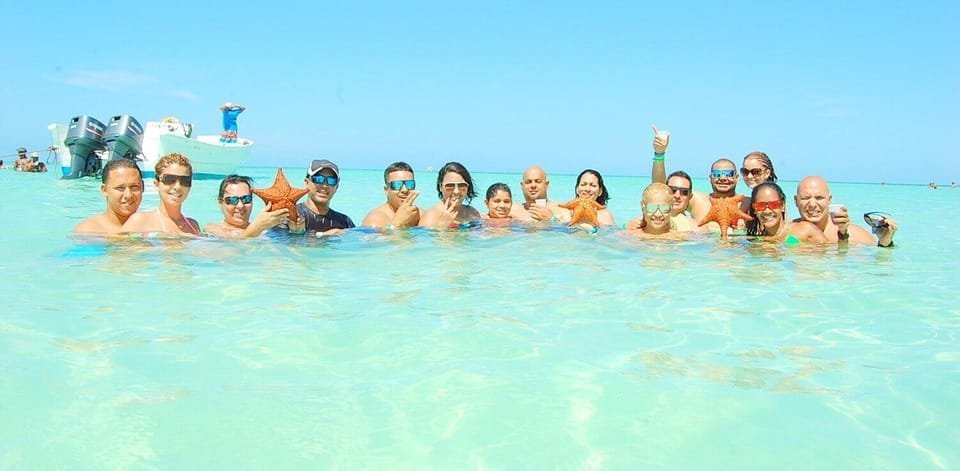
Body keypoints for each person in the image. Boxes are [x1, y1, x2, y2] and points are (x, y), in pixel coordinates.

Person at [791, 176, 897, 247]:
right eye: (805, 198)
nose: (812, 204)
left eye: (819, 198)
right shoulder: (789, 233)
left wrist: (885, 243)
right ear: (796, 201)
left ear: (829, 200)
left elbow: (878, 266)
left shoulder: (853, 234)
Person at [121, 153, 201, 236]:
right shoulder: (140, 221)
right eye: (169, 179)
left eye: (185, 181)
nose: (177, 187)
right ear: (156, 184)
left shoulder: (193, 226)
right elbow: (119, 243)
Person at [73, 159, 145, 235]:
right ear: (104, 190)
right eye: (120, 188)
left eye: (134, 187)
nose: (128, 195)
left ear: (143, 187)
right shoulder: (88, 231)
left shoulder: (151, 225)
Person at [205, 175, 290, 238]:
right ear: (220, 202)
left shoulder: (265, 230)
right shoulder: (213, 229)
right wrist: (258, 227)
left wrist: (295, 230)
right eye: (233, 200)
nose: (240, 205)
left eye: (246, 199)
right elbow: (234, 245)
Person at [288, 159, 355, 235]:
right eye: (318, 179)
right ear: (307, 183)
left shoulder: (345, 222)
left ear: (336, 187)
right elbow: (279, 240)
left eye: (331, 180)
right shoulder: (290, 215)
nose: (324, 185)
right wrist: (296, 233)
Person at [745, 182, 825, 244]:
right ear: (754, 209)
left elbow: (829, 253)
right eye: (760, 205)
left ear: (782, 206)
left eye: (774, 204)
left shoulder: (804, 230)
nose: (767, 211)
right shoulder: (759, 242)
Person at [420, 161, 482, 229]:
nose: (456, 191)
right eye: (450, 186)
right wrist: (442, 226)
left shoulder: (472, 213)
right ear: (440, 187)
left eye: (462, 185)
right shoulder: (431, 217)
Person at [360, 161, 422, 229]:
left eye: (409, 184)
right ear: (386, 190)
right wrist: (397, 223)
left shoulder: (421, 216)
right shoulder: (375, 220)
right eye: (397, 185)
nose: (405, 190)